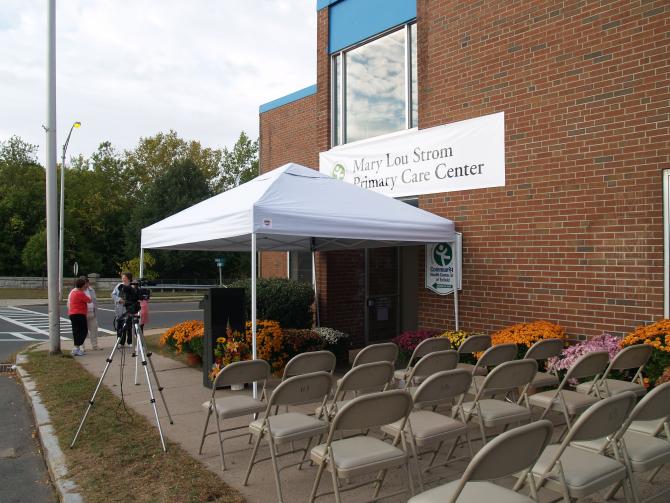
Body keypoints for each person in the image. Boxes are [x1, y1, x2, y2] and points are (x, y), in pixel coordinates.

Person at [68, 277, 90, 356]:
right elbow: (89, 300)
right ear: (82, 285)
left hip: (72, 314)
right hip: (79, 314)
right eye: (84, 285)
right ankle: (77, 347)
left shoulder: (73, 292)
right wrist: (85, 292)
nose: (86, 286)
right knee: (84, 331)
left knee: (76, 331)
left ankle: (76, 348)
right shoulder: (80, 293)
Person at [111, 271, 133, 345]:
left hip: (129, 309)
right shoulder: (119, 286)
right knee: (120, 327)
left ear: (129, 279)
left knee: (129, 327)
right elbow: (113, 295)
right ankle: (120, 342)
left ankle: (130, 342)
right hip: (120, 310)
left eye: (125, 278)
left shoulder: (132, 286)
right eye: (122, 278)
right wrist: (119, 300)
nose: (123, 279)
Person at [84, 277, 99, 350]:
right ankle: (81, 346)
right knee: (82, 331)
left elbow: (95, 300)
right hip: (82, 313)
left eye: (87, 283)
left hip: (92, 312)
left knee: (94, 329)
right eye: (85, 283)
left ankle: (94, 345)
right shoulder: (77, 290)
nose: (86, 285)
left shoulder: (91, 290)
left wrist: (95, 309)